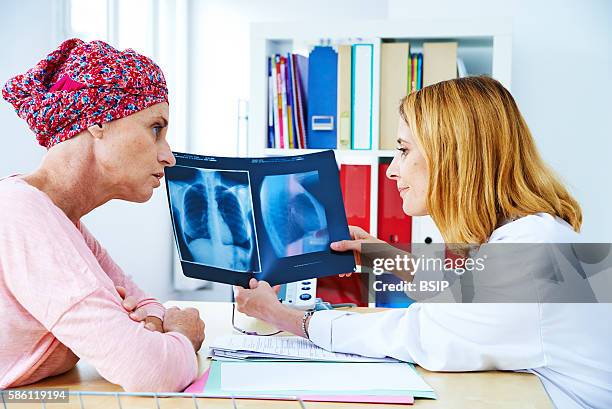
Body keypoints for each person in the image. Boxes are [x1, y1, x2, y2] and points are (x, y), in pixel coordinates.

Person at [235, 76, 612, 408]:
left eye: (403, 149)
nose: (393, 169)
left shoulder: (533, 247)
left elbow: (419, 334)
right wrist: (380, 254)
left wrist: (282, 316)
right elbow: (469, 297)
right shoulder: (531, 234)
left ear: (454, 156)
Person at [0, 39, 204, 392]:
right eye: (156, 129)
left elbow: (146, 303)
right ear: (98, 122)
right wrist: (182, 334)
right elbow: (151, 372)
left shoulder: (61, 219)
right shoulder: (20, 214)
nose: (169, 156)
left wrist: (151, 322)